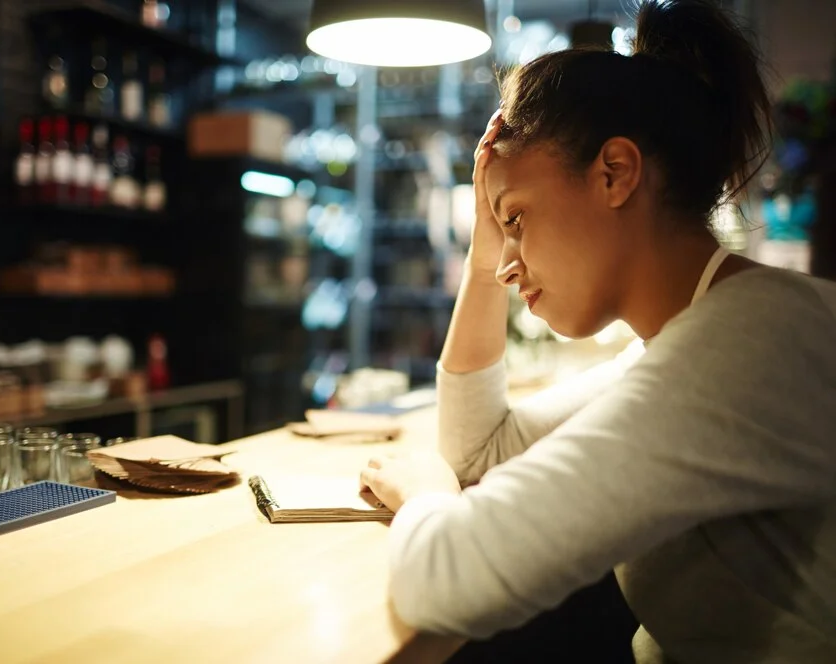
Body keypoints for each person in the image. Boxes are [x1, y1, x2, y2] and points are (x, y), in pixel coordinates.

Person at [358, 1, 836, 661]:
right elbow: (481, 451)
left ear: (615, 173)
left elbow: (448, 581)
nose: (505, 261)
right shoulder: (688, 338)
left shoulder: (752, 343)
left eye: (518, 219)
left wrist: (424, 496)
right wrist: (484, 243)